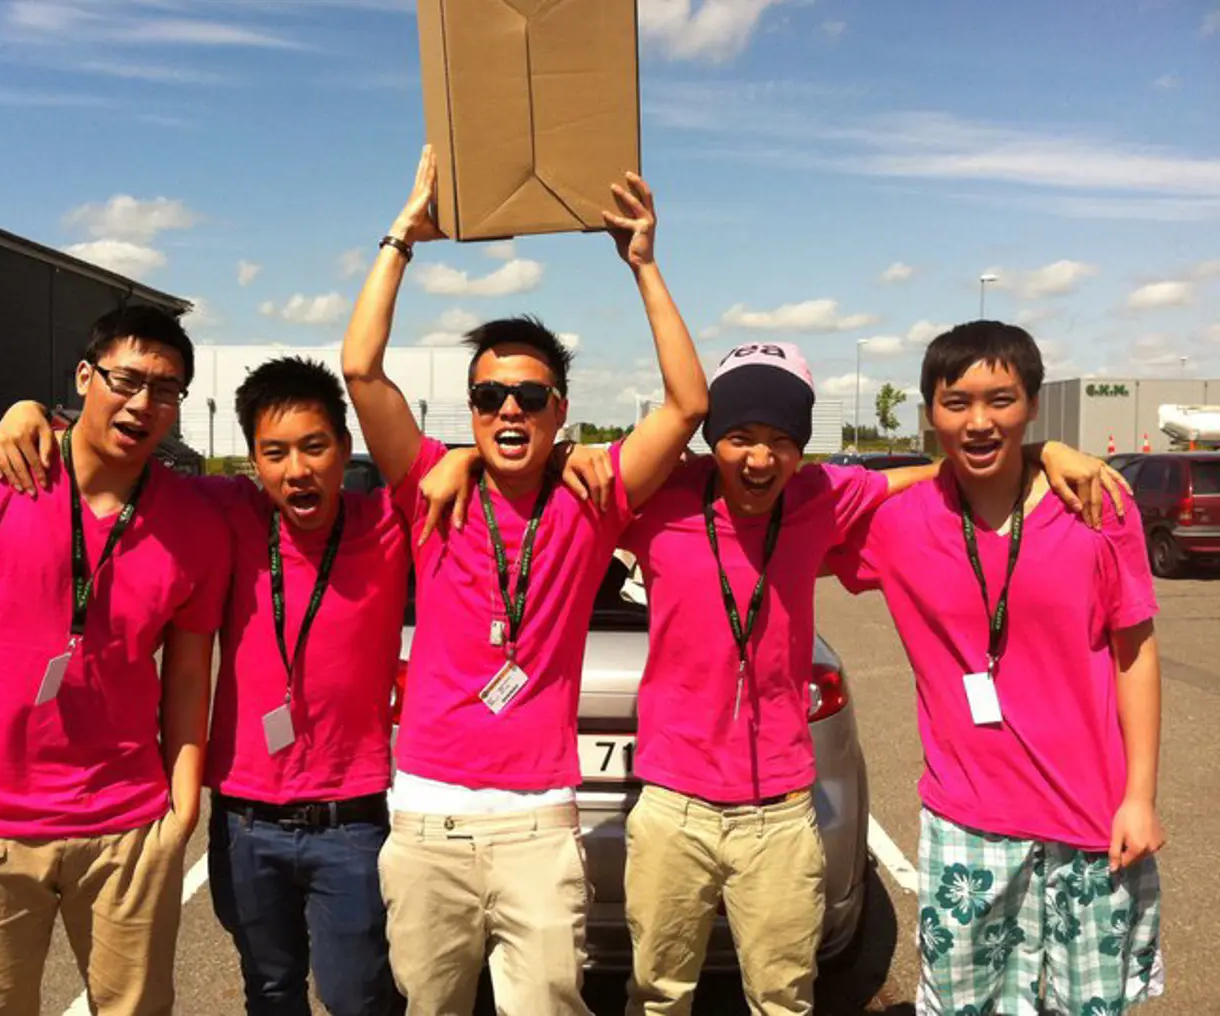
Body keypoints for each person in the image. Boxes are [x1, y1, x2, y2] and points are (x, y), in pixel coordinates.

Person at [0, 358, 611, 1016]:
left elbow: (499, 463)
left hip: (354, 818)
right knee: (272, 990)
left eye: (314, 447)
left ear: (344, 448)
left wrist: (478, 457)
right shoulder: (226, 513)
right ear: (251, 461)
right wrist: (33, 415)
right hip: (247, 819)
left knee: (358, 994)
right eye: (274, 453)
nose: (297, 470)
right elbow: (116, 466)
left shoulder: (393, 523)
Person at [614, 340, 1125, 1016]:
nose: (759, 459)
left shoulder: (821, 495)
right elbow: (545, 477)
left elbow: (932, 474)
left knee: (784, 998)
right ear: (714, 443)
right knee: (657, 994)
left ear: (802, 448)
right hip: (672, 804)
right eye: (740, 438)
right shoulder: (660, 501)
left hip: (780, 810)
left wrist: (1040, 452)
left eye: (780, 440)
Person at [340, 145, 707, 1015]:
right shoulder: (430, 482)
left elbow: (689, 406)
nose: (511, 409)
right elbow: (360, 369)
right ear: (469, 409)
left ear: (560, 412)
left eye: (532, 397)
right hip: (427, 814)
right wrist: (402, 238)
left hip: (539, 822)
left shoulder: (593, 495)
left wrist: (645, 267)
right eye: (492, 396)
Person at [828, 321, 1165, 1015]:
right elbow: (795, 501)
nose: (980, 421)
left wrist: (1140, 796)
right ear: (929, 415)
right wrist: (1012, 456)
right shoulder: (899, 525)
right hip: (968, 822)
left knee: (1090, 1005)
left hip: (1093, 819)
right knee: (963, 1005)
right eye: (957, 404)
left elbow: (1136, 654)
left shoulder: (1098, 507)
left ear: (1032, 403)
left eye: (1001, 401)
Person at [0, 305, 230, 1015]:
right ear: (84, 377)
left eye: (166, 390)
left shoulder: (195, 521)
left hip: (128, 832)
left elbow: (186, 676)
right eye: (126, 379)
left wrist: (181, 807)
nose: (143, 403)